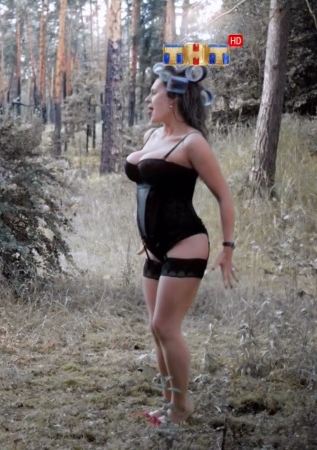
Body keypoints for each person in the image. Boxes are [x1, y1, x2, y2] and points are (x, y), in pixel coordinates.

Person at [124, 65, 237, 424]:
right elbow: (150, 190)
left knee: (166, 326)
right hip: (155, 247)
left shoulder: (192, 142)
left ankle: (182, 406)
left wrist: (227, 247)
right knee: (157, 329)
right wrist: (148, 238)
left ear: (173, 99)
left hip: (186, 241)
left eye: (154, 92)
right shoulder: (151, 137)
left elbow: (224, 195)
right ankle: (168, 402)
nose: (147, 98)